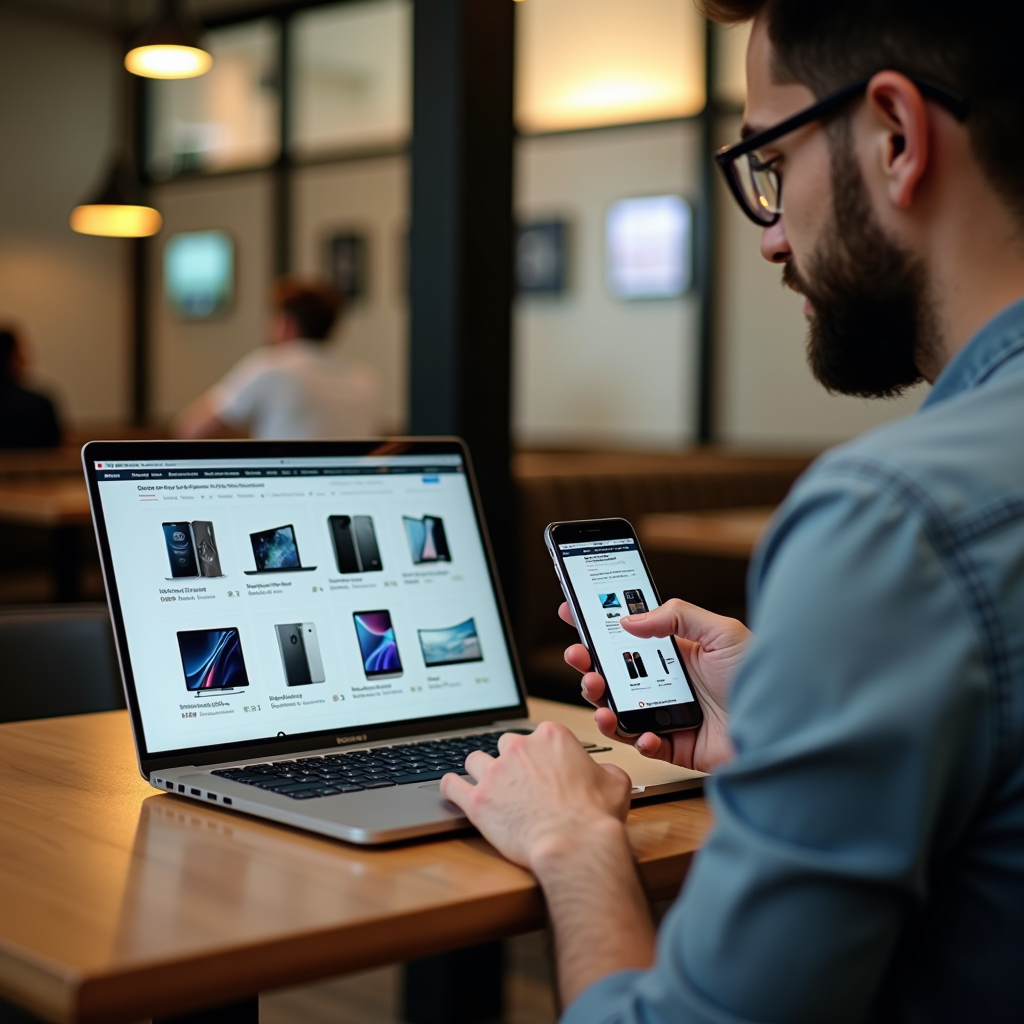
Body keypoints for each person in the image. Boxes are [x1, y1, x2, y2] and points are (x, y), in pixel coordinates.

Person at [438, 1, 1024, 1021]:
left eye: (771, 165)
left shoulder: (894, 518)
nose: (769, 239)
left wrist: (572, 840)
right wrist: (789, 708)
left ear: (895, 134)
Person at [176, 279, 382, 440]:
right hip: (352, 489)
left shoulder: (271, 367)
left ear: (286, 324)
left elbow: (191, 428)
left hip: (285, 489)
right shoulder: (365, 377)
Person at [0, 327, 61, 449]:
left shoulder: (39, 403)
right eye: (18, 354)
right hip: (43, 468)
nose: (25, 360)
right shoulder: (39, 404)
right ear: (10, 359)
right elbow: (58, 448)